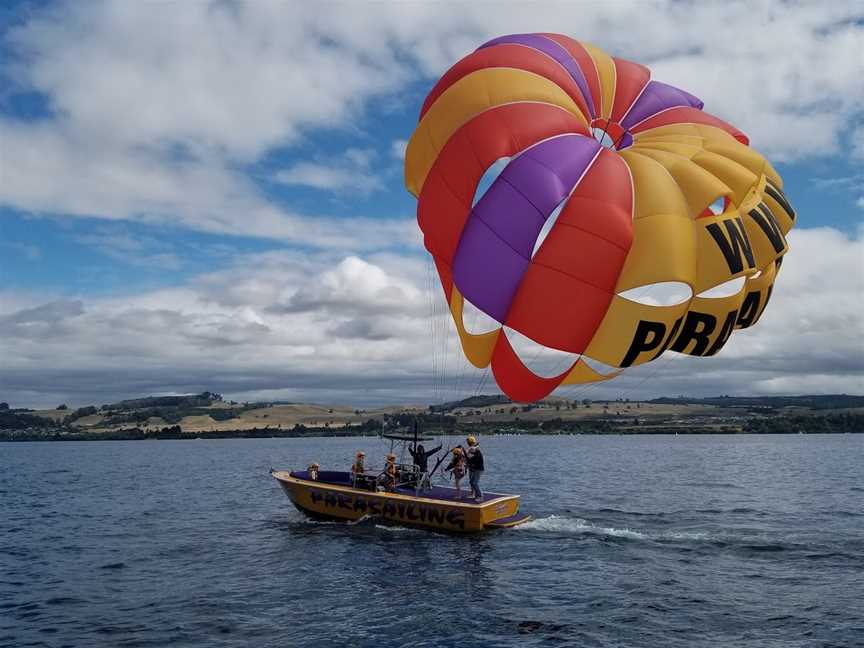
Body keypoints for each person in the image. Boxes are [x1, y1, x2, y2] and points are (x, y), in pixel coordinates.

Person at [465, 435, 484, 502]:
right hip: (475, 468)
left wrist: (467, 455)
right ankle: (475, 495)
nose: (467, 443)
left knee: (475, 483)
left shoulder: (476, 450)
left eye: (468, 442)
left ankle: (480, 496)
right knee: (471, 482)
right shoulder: (474, 449)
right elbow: (469, 457)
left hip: (478, 469)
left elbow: (471, 457)